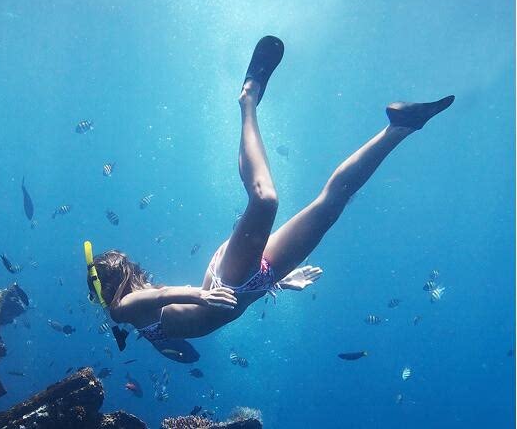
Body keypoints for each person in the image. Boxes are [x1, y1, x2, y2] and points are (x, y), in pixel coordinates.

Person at [86, 35, 454, 349]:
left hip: (227, 277)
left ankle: (248, 97)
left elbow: (162, 295)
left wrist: (199, 295)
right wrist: (278, 282)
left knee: (265, 199)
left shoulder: (122, 308)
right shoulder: (137, 323)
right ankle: (401, 128)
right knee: (331, 205)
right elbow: (183, 335)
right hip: (255, 280)